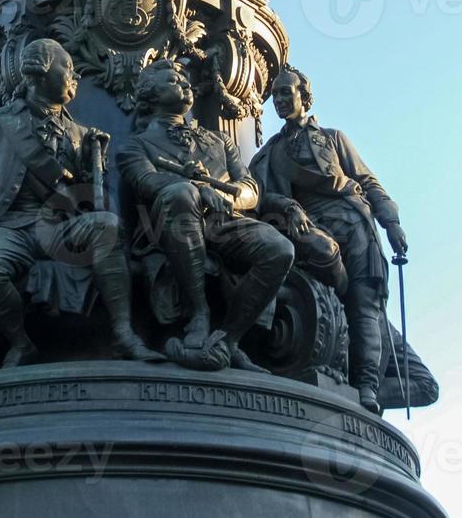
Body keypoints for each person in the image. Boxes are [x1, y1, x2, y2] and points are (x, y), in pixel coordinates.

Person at [0, 38, 163, 367]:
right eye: (69, 68)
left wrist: (96, 165)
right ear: (43, 70)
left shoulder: (82, 135)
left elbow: (92, 203)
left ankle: (123, 334)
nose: (75, 77)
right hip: (9, 226)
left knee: (106, 226)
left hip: (58, 227)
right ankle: (20, 342)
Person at [117, 59, 293, 371]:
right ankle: (199, 314)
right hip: (171, 223)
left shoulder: (220, 140)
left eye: (185, 81)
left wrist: (225, 195)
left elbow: (250, 189)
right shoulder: (135, 146)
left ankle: (227, 339)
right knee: (181, 194)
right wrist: (197, 187)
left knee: (281, 249)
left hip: (226, 221)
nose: (184, 84)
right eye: (172, 80)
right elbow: (147, 182)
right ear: (148, 93)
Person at [251, 66, 407, 414]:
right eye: (274, 95)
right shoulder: (269, 153)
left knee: (365, 302)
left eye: (285, 93)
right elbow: (260, 197)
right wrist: (287, 206)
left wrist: (390, 221)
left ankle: (366, 386)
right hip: (310, 228)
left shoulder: (334, 138)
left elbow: (367, 181)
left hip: (355, 226)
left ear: (303, 97)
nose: (279, 100)